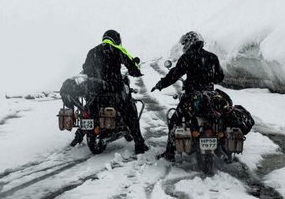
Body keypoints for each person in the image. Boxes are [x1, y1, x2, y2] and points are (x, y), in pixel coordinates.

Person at [151, 31, 224, 161]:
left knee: (175, 120)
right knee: (218, 117)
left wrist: (160, 85)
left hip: (191, 96)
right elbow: (219, 77)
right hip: (210, 96)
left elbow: (174, 75)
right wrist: (208, 77)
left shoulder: (187, 57)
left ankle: (170, 153)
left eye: (185, 43)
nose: (184, 46)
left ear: (189, 43)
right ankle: (223, 148)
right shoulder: (212, 57)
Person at [79, 29, 149, 154]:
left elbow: (85, 69)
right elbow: (132, 66)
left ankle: (82, 134)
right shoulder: (117, 49)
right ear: (117, 40)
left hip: (95, 94)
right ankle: (139, 143)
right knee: (131, 111)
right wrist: (136, 70)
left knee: (88, 110)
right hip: (113, 91)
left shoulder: (92, 51)